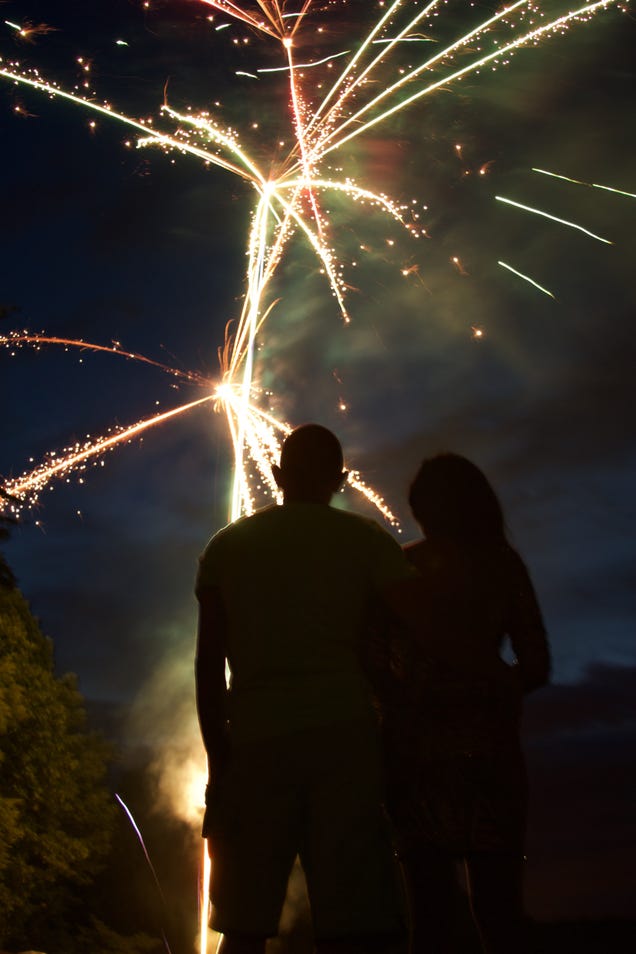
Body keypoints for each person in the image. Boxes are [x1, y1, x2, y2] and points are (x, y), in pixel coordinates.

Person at [195, 424, 417, 954]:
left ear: (276, 474)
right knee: (355, 925)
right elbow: (414, 638)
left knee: (243, 925)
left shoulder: (226, 547)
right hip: (347, 742)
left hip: (254, 744)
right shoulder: (370, 542)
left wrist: (219, 759)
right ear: (341, 479)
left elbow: (207, 667)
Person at [382, 454, 550, 954]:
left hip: (416, 760)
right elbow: (537, 662)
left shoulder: (400, 570)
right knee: (499, 914)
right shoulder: (502, 565)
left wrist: (411, 701)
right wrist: (493, 689)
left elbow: (373, 663)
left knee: (430, 920)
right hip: (490, 758)